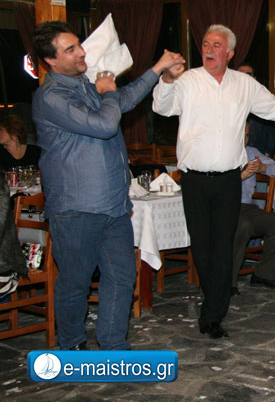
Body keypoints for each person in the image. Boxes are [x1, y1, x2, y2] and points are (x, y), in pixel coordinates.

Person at [152, 24, 275, 339]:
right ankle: (213, 301)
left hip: (229, 181)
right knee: (202, 249)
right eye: (206, 44)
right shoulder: (188, 80)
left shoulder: (244, 85)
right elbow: (161, 106)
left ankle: (213, 315)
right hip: (194, 181)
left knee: (223, 247)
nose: (209, 49)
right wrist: (168, 78)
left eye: (216, 45)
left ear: (229, 53)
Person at [31, 20, 185, 350]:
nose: (81, 52)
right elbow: (104, 124)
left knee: (122, 276)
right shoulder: (51, 97)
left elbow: (123, 100)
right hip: (76, 208)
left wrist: (157, 67)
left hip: (114, 205)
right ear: (50, 60)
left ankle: (114, 347)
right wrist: (109, 93)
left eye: (79, 44)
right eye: (70, 49)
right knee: (75, 282)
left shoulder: (86, 84)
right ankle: (72, 347)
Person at [232, 121, 275, 291]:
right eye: (240, 135)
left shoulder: (251, 152)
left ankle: (264, 274)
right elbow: (215, 186)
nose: (244, 139)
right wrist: (240, 177)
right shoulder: (220, 154)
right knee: (243, 225)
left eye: (246, 135)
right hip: (225, 206)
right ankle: (227, 282)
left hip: (247, 207)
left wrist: (263, 167)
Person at [237, 63, 275, 157]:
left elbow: (271, 129)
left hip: (259, 156)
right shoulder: (227, 99)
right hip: (233, 156)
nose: (244, 78)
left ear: (254, 79)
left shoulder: (264, 100)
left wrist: (267, 153)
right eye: (240, 75)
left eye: (248, 75)